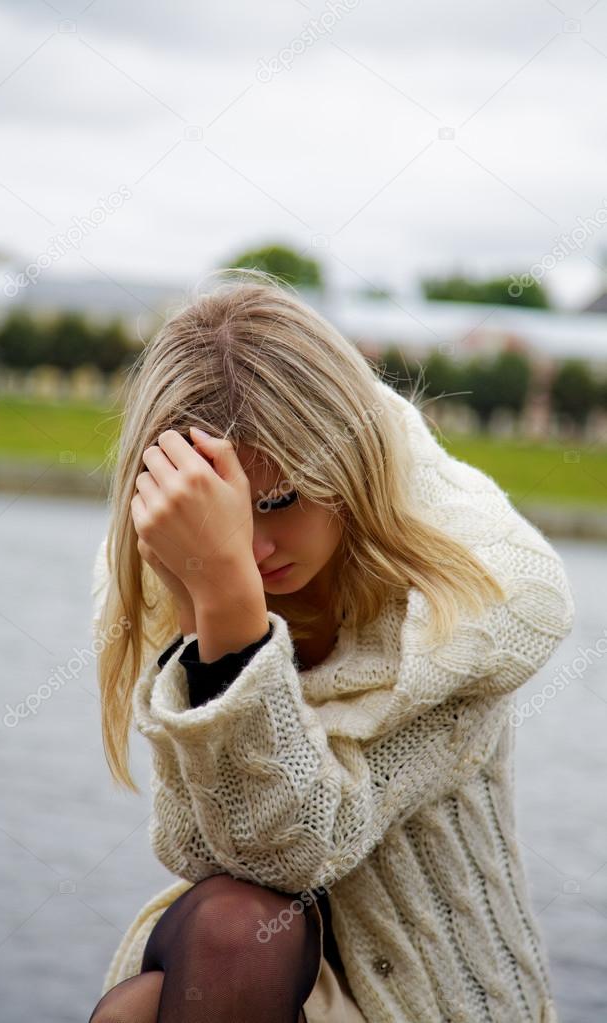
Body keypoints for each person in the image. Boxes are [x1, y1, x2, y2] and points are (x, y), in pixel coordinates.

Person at [87, 269, 575, 1023]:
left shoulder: (481, 593)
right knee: (221, 941)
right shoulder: (173, 553)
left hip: (429, 999)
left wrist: (228, 608)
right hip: (258, 966)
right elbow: (200, 848)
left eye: (280, 501)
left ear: (343, 460)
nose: (252, 547)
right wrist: (203, 603)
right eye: (227, 516)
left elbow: (297, 847)